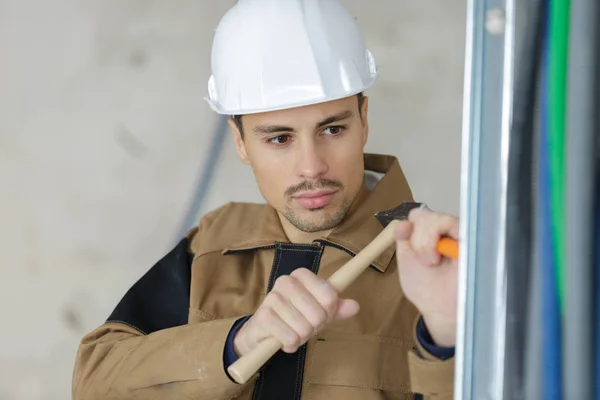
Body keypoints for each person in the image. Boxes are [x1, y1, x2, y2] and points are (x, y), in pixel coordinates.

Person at [72, 0, 459, 399]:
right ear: (240, 143)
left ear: (363, 120)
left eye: (332, 129)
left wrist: (446, 334)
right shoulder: (212, 244)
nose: (311, 168)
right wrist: (239, 339)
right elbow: (94, 384)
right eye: (279, 138)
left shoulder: (436, 265)